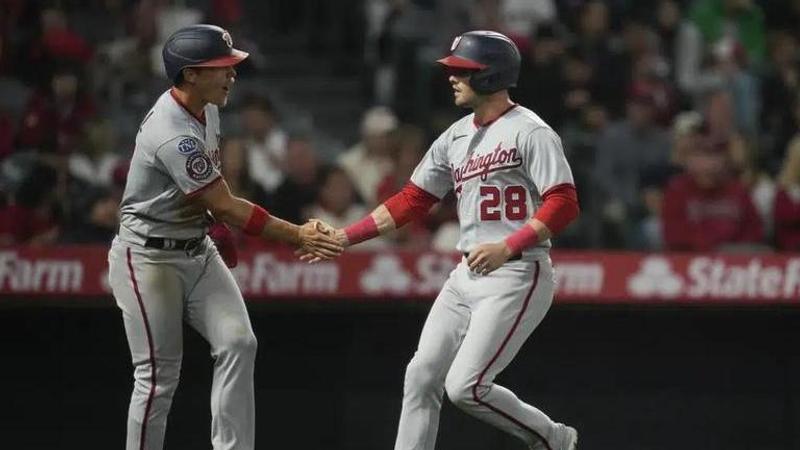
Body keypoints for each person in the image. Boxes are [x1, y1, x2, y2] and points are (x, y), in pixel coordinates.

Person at [305, 31, 580, 450]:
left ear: (490, 75)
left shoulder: (531, 131)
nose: (452, 77)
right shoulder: (453, 136)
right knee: (421, 376)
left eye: (462, 71)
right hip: (467, 272)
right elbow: (413, 200)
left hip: (518, 272)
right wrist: (346, 236)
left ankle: (551, 438)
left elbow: (564, 202)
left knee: (465, 387)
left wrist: (510, 244)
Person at [106, 24, 342, 450]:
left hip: (196, 248)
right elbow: (227, 204)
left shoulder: (208, 107)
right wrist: (297, 235)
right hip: (148, 258)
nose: (232, 74)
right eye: (221, 67)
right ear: (190, 74)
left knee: (238, 342)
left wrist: (211, 225)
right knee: (159, 378)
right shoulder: (171, 130)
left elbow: (211, 199)